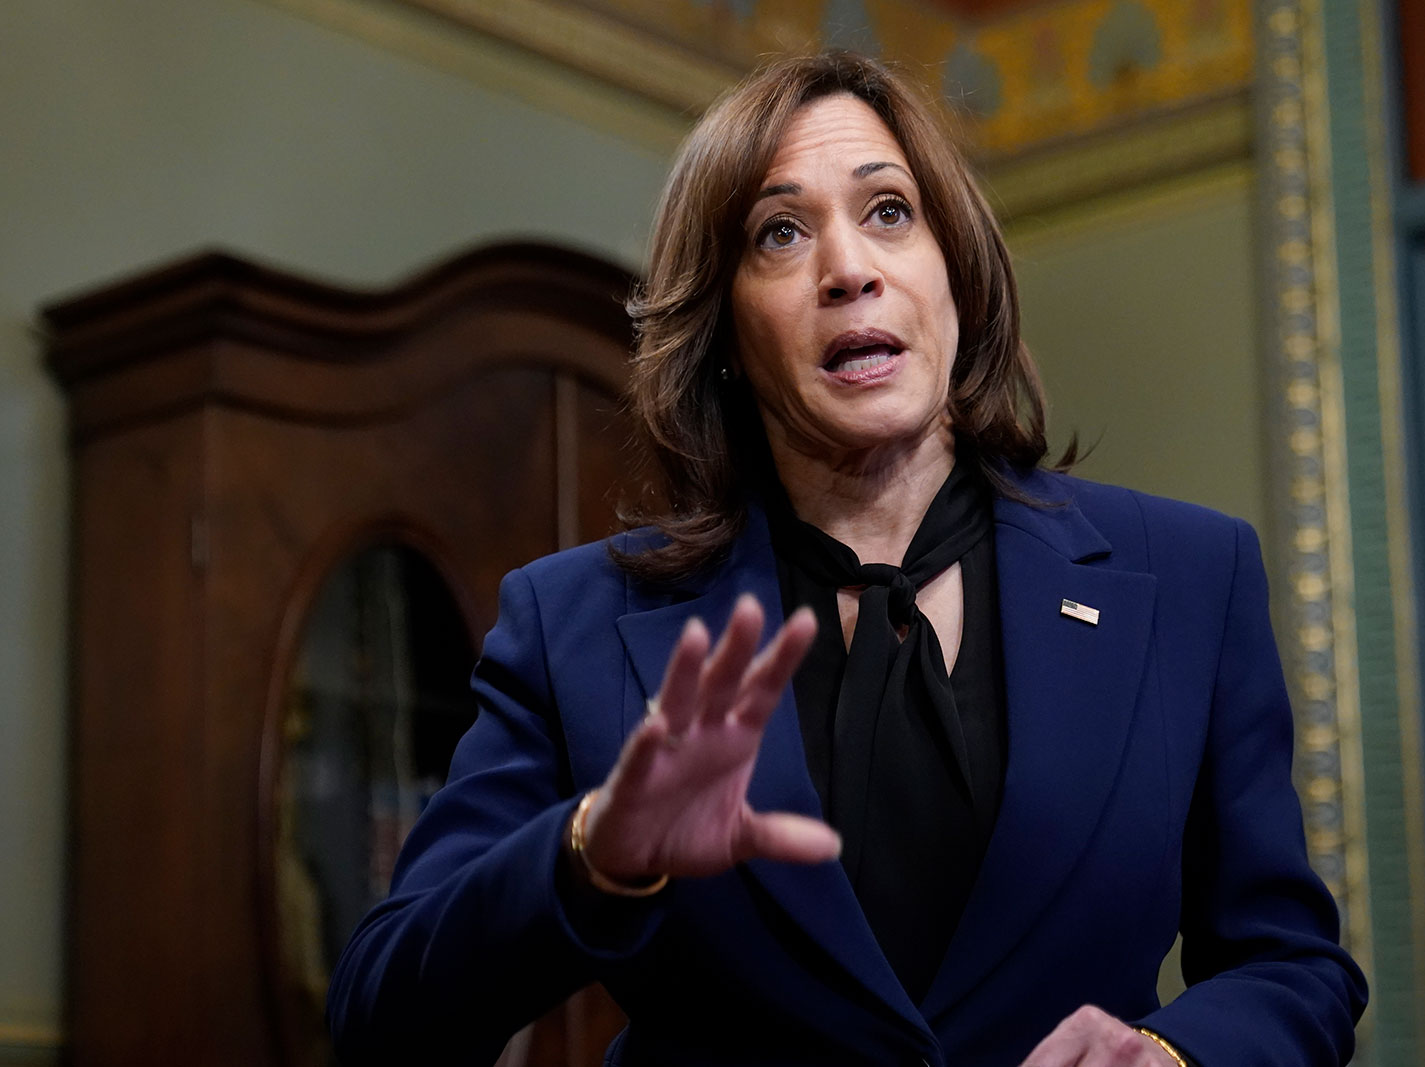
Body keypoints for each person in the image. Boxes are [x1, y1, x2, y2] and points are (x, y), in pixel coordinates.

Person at [327, 51, 1366, 1066]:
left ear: (954, 270)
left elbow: (1293, 966)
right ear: (725, 327)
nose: (849, 269)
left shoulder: (1188, 576)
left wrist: (1172, 1053)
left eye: (888, 212)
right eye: (780, 233)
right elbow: (382, 1016)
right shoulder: (574, 622)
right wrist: (594, 852)